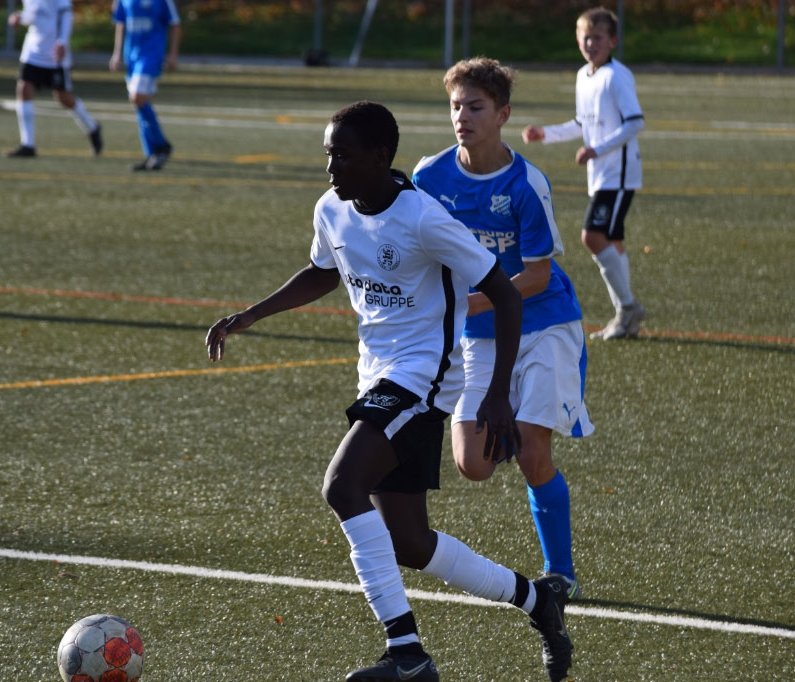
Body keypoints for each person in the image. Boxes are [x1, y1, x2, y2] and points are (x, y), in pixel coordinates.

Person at [206, 101, 573, 682]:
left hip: (426, 377)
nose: (332, 168)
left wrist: (497, 394)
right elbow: (324, 269)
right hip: (378, 375)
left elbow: (505, 293)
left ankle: (406, 653)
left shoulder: (424, 218)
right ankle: (537, 601)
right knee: (409, 541)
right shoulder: (331, 208)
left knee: (341, 484)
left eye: (344, 156)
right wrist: (253, 313)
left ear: (380, 157)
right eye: (329, 155)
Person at [413, 57, 594, 604]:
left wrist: (461, 303)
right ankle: (511, 423)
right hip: (480, 335)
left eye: (475, 107)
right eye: (455, 107)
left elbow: (536, 276)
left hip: (544, 325)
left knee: (535, 452)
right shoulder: (429, 177)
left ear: (503, 114)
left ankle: (560, 573)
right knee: (473, 464)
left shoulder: (525, 184)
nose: (462, 117)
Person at [522, 7, 646, 340]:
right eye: (585, 37)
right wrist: (545, 133)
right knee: (612, 240)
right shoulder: (583, 76)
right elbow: (582, 123)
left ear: (613, 41)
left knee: (592, 236)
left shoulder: (616, 76)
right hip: (601, 173)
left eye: (598, 37)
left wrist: (597, 149)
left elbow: (635, 122)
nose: (591, 44)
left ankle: (627, 307)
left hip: (618, 173)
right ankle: (626, 316)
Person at [7, 0, 103, 158]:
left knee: (63, 97)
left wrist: (62, 42)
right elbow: (32, 14)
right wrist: (20, 17)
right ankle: (28, 144)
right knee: (23, 90)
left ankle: (92, 127)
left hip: (54, 54)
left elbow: (66, 14)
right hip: (33, 51)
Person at [110, 0, 181, 171]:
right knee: (139, 103)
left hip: (151, 55)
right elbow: (121, 23)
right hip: (131, 56)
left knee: (137, 97)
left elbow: (175, 24)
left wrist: (173, 54)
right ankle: (152, 154)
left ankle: (162, 145)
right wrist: (117, 53)